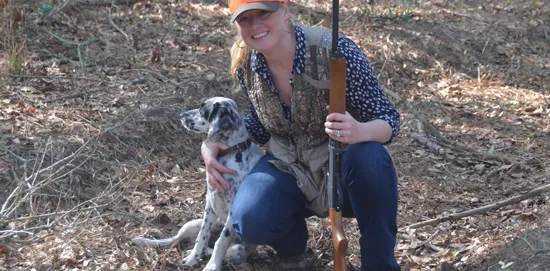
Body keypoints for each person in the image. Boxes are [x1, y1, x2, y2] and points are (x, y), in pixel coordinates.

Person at [200, 0, 401, 270]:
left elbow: (389, 119)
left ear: (284, 11)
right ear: (237, 26)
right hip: (288, 167)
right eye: (245, 19)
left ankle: (379, 264)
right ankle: (292, 249)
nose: (255, 25)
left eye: (263, 13)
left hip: (344, 171)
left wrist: (360, 130)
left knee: (372, 158)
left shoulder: (337, 51)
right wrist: (214, 143)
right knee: (249, 219)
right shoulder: (247, 66)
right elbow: (259, 126)